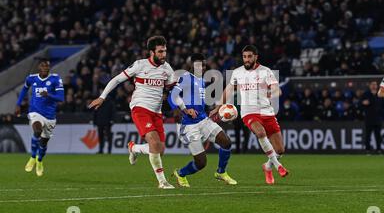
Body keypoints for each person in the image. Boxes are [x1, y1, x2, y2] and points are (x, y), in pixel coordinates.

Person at [89, 36, 177, 189]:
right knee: (155, 144)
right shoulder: (140, 65)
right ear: (152, 52)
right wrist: (102, 97)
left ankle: (134, 148)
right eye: (160, 52)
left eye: (165, 51)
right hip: (140, 108)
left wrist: (178, 106)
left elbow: (172, 90)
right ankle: (162, 182)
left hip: (157, 112)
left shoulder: (167, 69)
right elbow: (116, 80)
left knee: (159, 150)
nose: (164, 55)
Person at [210, 45, 289, 185]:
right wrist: (218, 107)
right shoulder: (238, 73)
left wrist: (270, 94)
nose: (246, 60)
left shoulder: (266, 71)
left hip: (267, 111)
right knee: (260, 132)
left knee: (280, 150)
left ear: (256, 57)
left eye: (249, 57)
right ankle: (278, 166)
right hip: (248, 112)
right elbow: (228, 90)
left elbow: (278, 91)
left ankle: (268, 166)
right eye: (244, 57)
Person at [169, 53, 237, 187]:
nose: (202, 67)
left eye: (204, 65)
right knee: (201, 163)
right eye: (199, 65)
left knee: (226, 142)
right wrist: (185, 110)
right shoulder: (186, 78)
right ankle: (181, 173)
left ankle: (221, 172)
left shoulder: (202, 81)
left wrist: (212, 110)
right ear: (192, 65)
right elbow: (172, 96)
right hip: (188, 125)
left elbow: (198, 102)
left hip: (203, 119)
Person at [15, 58, 64, 176]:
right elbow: (24, 89)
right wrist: (18, 104)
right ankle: (32, 157)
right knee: (37, 131)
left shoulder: (55, 79)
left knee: (43, 143)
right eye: (43, 66)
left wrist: (49, 95)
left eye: (47, 66)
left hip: (50, 116)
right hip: (35, 112)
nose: (45, 68)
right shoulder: (31, 78)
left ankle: (39, 160)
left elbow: (61, 98)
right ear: (39, 67)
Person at [362, 81, 384, 153]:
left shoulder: (380, 94)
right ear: (370, 86)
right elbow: (360, 103)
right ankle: (367, 149)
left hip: (378, 118)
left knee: (378, 135)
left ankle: (379, 149)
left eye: (375, 84)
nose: (374, 86)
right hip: (369, 118)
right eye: (372, 84)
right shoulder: (366, 94)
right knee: (368, 135)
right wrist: (363, 103)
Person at [93, 88, 116, 154]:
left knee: (108, 137)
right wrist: (94, 121)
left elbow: (113, 112)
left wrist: (112, 120)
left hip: (107, 122)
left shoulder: (110, 102)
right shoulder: (98, 101)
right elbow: (95, 112)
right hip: (99, 122)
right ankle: (101, 150)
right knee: (100, 137)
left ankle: (109, 150)